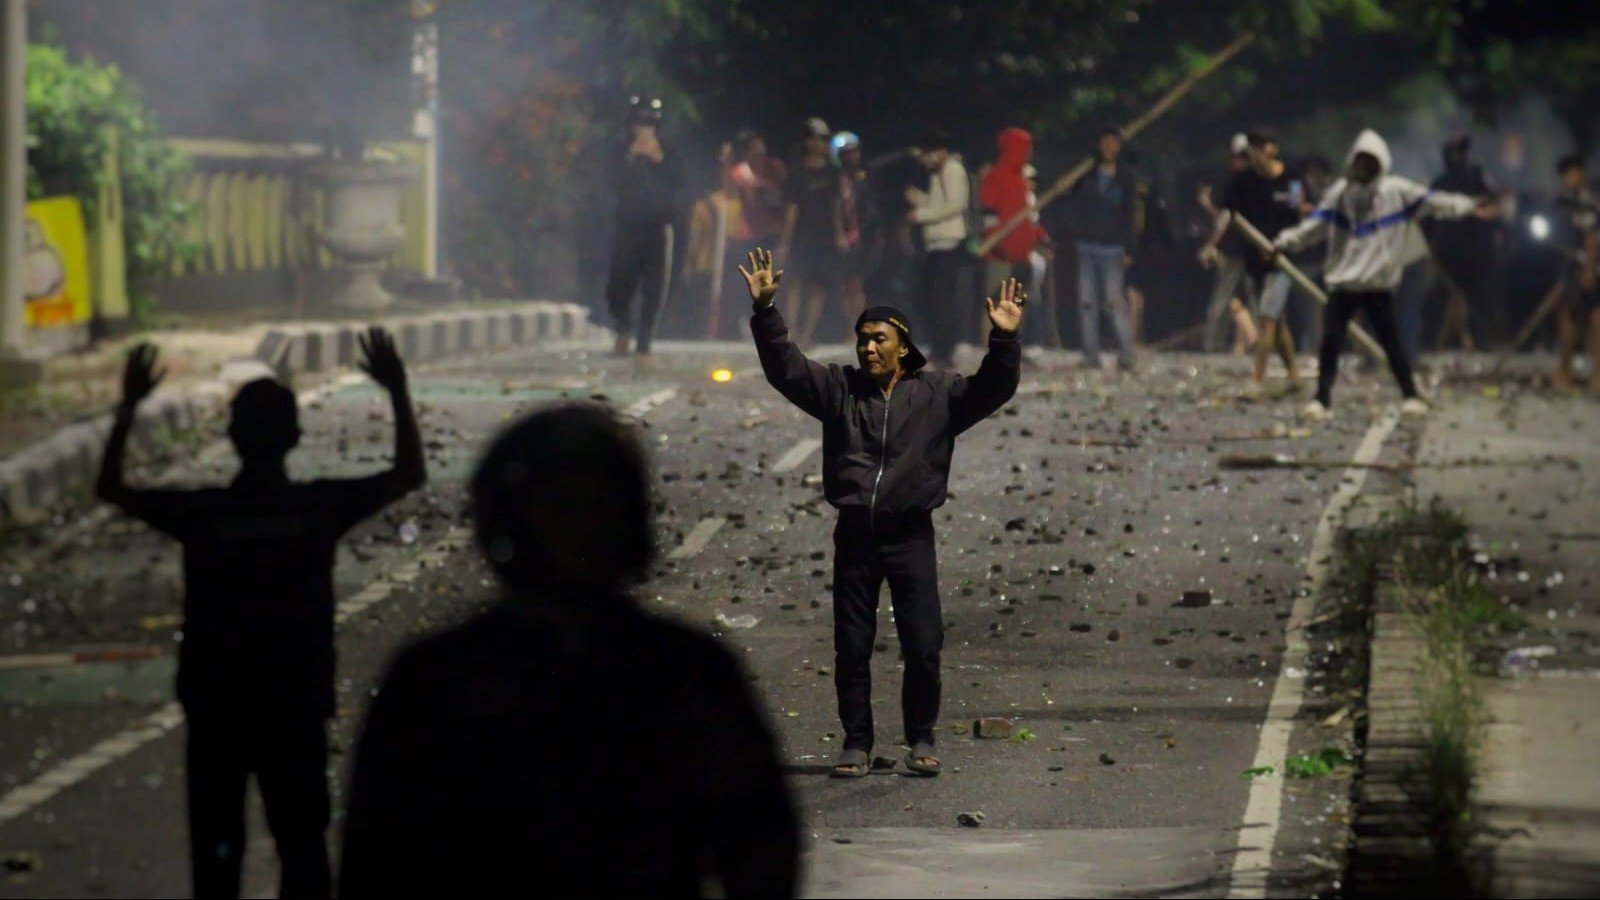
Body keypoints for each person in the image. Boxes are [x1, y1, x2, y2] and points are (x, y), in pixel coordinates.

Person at [340, 404, 799, 898]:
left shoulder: (685, 670)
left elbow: (758, 839)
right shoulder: (440, 676)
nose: (583, 530)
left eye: (599, 507)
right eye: (562, 508)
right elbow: (379, 852)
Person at [96, 329, 424, 899]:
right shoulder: (315, 508)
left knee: (217, 850)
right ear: (295, 436)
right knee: (302, 846)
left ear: (231, 437)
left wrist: (128, 407)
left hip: (216, 702)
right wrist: (396, 390)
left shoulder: (204, 513)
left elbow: (112, 486)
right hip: (294, 702)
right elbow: (407, 474)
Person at [741, 247, 1022, 779]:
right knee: (852, 645)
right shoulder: (839, 390)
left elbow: (994, 387)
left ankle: (921, 738)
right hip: (855, 537)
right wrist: (765, 313)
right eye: (863, 339)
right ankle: (857, 742)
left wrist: (1004, 339)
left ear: (903, 347)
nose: (868, 348)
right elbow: (786, 369)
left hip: (911, 536)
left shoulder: (937, 395)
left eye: (879, 339)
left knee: (922, 645)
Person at [1272, 129, 1499, 421]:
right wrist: (1282, 242)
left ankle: (1410, 395)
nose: (1364, 167)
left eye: (1370, 161)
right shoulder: (1341, 194)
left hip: (1376, 284)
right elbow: (1313, 227)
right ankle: (1322, 399)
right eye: (1361, 160)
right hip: (1343, 282)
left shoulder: (1396, 191)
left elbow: (1435, 201)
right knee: (1331, 343)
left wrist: (1469, 206)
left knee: (1392, 342)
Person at [1210, 129, 1305, 397]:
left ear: (1272, 148)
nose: (1254, 154)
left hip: (1282, 261)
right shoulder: (1244, 181)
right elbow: (1230, 216)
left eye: (1259, 147)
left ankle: (1257, 380)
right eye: (1251, 148)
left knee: (1266, 319)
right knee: (1277, 320)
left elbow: (1298, 214)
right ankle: (1294, 375)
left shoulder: (1292, 179)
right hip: (1254, 261)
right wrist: (1213, 247)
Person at [606, 95, 684, 362]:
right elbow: (611, 179)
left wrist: (657, 157)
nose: (645, 128)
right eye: (640, 122)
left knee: (655, 287)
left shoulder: (669, 149)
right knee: (620, 283)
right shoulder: (619, 149)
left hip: (659, 226)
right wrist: (631, 156)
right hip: (628, 225)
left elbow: (680, 181)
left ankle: (644, 341)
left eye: (650, 122)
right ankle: (622, 330)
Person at [1064, 126, 1139, 370]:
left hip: (1113, 247)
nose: (1108, 147)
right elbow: (1069, 199)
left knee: (1114, 301)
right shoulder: (1086, 174)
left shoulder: (1126, 178)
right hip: (1086, 244)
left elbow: (1130, 216)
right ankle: (1091, 355)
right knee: (1087, 302)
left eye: (1113, 143)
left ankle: (1126, 354)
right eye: (1104, 142)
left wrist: (1129, 249)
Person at [905, 128, 973, 369]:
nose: (923, 160)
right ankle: (938, 348)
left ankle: (944, 350)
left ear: (939, 152)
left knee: (942, 300)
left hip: (949, 245)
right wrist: (920, 199)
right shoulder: (938, 173)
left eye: (925, 154)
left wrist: (921, 214)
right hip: (936, 245)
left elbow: (956, 205)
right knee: (929, 298)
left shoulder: (952, 170)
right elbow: (940, 203)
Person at [778, 117, 848, 347]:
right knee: (796, 283)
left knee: (819, 286)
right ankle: (790, 330)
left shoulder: (832, 172)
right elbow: (791, 209)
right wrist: (785, 243)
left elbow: (837, 205)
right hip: (802, 236)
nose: (821, 143)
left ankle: (807, 334)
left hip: (825, 236)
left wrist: (839, 234)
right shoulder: (797, 172)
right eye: (817, 138)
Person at [1426, 135, 1498, 352]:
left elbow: (1492, 208)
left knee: (1471, 297)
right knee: (1449, 296)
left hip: (1474, 250)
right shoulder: (1441, 183)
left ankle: (1471, 339)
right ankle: (1449, 340)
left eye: (1462, 152)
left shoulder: (1476, 180)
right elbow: (1429, 216)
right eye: (1456, 152)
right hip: (1449, 250)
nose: (1460, 157)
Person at [979, 127, 1047, 329]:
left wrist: (1041, 237)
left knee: (1017, 303)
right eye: (1026, 147)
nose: (1029, 152)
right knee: (997, 300)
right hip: (1001, 253)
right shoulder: (994, 176)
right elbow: (988, 211)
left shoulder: (1021, 180)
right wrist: (995, 240)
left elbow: (1026, 216)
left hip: (1022, 253)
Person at [1197, 135, 1255, 354]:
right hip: (1233, 250)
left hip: (1251, 251)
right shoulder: (1230, 182)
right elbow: (1224, 219)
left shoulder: (1252, 183)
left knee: (1251, 299)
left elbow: (1225, 218)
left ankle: (1252, 342)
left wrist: (1211, 246)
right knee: (1224, 299)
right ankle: (1215, 344)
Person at [1551, 154, 1600, 392]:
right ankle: (1565, 371)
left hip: (1585, 266)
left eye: (1571, 172)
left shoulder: (1588, 200)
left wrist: (1589, 269)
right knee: (1571, 318)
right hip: (1571, 264)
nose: (1568, 178)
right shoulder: (1565, 200)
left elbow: (1592, 236)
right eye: (1565, 175)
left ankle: (1594, 376)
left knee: (1592, 320)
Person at [834, 129, 878, 331]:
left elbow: (871, 209)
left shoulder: (866, 176)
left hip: (863, 236)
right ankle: (851, 326)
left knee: (859, 284)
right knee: (845, 284)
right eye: (848, 153)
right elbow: (834, 207)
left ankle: (861, 327)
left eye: (855, 152)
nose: (853, 156)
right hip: (842, 236)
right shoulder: (836, 179)